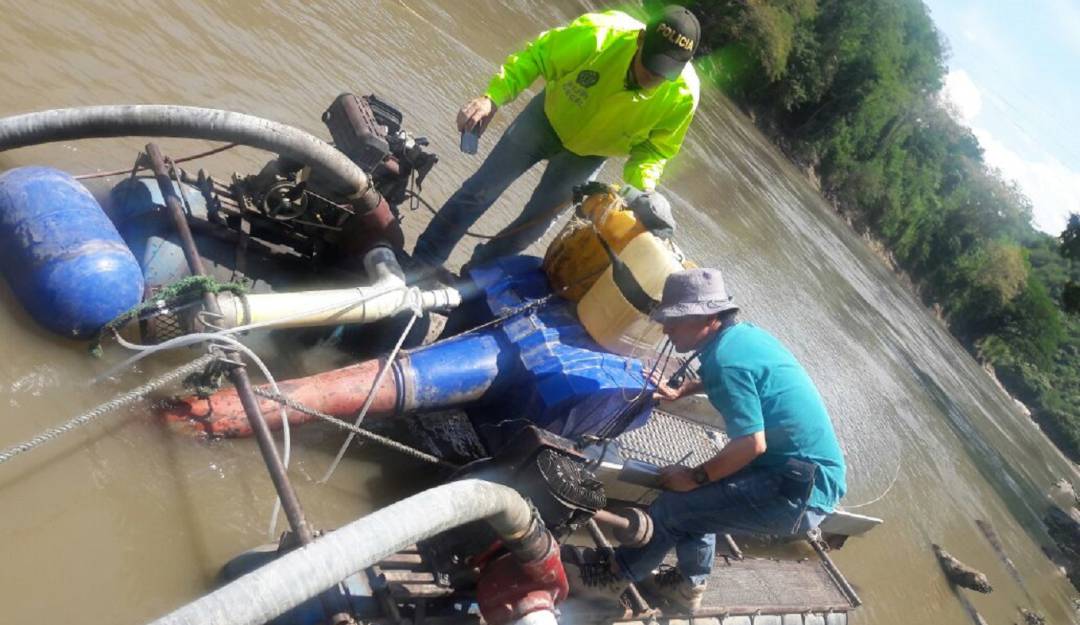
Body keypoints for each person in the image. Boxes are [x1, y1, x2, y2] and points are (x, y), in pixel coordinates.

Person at [564, 268, 848, 611]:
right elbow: (743, 377)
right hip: (797, 473)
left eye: (676, 320)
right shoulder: (741, 338)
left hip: (796, 492)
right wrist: (686, 388)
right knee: (700, 506)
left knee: (673, 508)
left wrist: (693, 476)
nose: (666, 328)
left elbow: (750, 444)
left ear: (710, 318)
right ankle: (688, 587)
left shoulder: (727, 362)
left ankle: (612, 578)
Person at [412, 6, 701, 270]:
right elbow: (537, 55)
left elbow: (655, 150)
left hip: (588, 153)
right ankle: (425, 260)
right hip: (546, 119)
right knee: (480, 191)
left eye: (665, 73)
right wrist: (493, 98)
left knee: (532, 228)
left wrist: (641, 191)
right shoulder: (600, 34)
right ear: (640, 39)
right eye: (650, 66)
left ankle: (476, 274)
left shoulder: (684, 95)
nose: (653, 77)